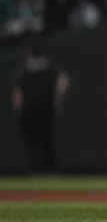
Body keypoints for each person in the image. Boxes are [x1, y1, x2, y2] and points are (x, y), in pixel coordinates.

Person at [12, 39, 69, 173]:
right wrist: (58, 100)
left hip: (30, 108)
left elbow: (17, 93)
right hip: (47, 107)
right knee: (47, 138)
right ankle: (51, 168)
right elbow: (63, 81)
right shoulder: (51, 67)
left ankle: (37, 169)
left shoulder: (24, 70)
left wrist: (18, 107)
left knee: (33, 140)